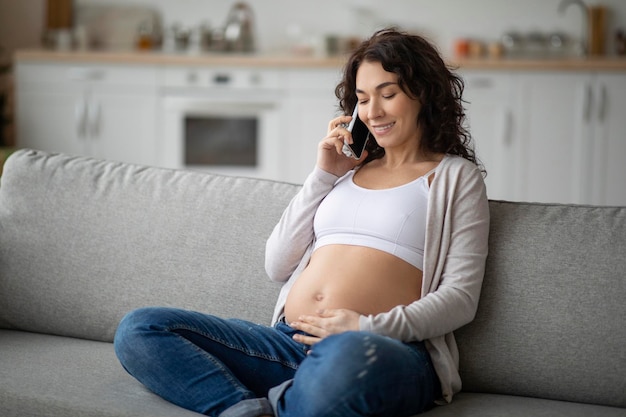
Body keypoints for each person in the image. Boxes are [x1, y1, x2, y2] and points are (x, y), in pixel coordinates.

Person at [114, 27, 490, 417]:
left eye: (388, 94)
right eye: (362, 99)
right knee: (140, 329)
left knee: (347, 359)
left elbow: (460, 299)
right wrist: (323, 175)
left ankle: (301, 397)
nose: (373, 112)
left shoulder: (453, 178)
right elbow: (277, 264)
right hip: (288, 344)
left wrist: (365, 328)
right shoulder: (342, 176)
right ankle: (248, 408)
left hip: (380, 348)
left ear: (423, 93)